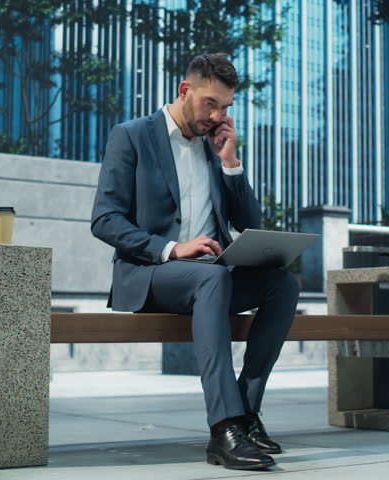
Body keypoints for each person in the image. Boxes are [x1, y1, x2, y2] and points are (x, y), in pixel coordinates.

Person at [90, 53, 299, 469]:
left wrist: (230, 162)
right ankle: (224, 430)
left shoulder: (214, 144)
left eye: (225, 107)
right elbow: (104, 219)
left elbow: (248, 222)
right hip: (152, 275)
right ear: (185, 91)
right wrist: (172, 249)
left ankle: (246, 412)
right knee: (213, 281)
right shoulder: (131, 136)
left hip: (211, 278)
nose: (217, 115)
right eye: (210, 104)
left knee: (283, 283)